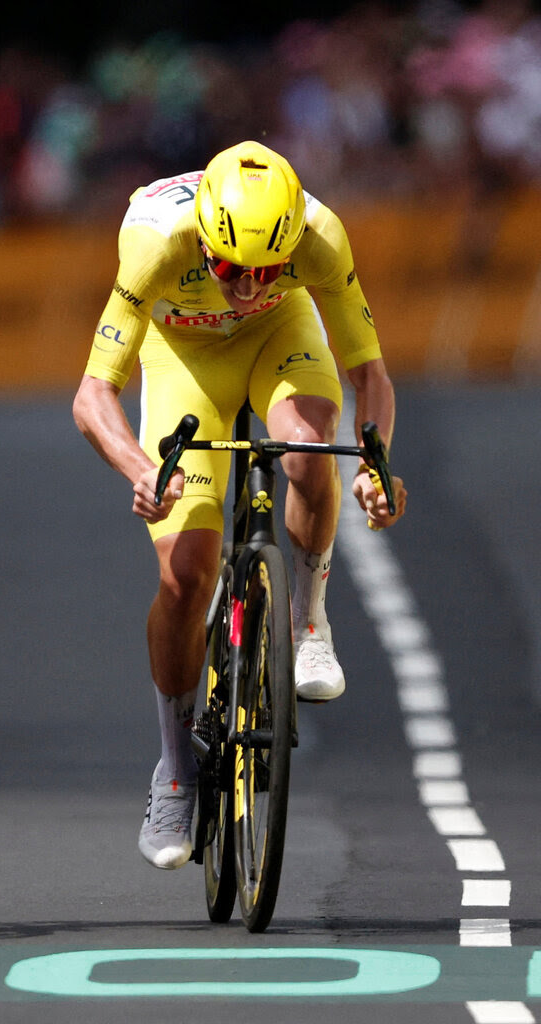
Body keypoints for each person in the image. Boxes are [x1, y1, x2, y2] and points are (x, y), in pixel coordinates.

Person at [72, 140, 407, 871]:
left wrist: (377, 461)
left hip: (280, 347)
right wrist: (138, 468)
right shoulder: (156, 240)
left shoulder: (319, 233)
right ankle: (174, 767)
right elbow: (93, 394)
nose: (249, 288)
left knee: (307, 453)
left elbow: (368, 371)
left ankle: (308, 621)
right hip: (183, 360)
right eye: (230, 271)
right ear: (205, 241)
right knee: (185, 575)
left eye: (267, 273)